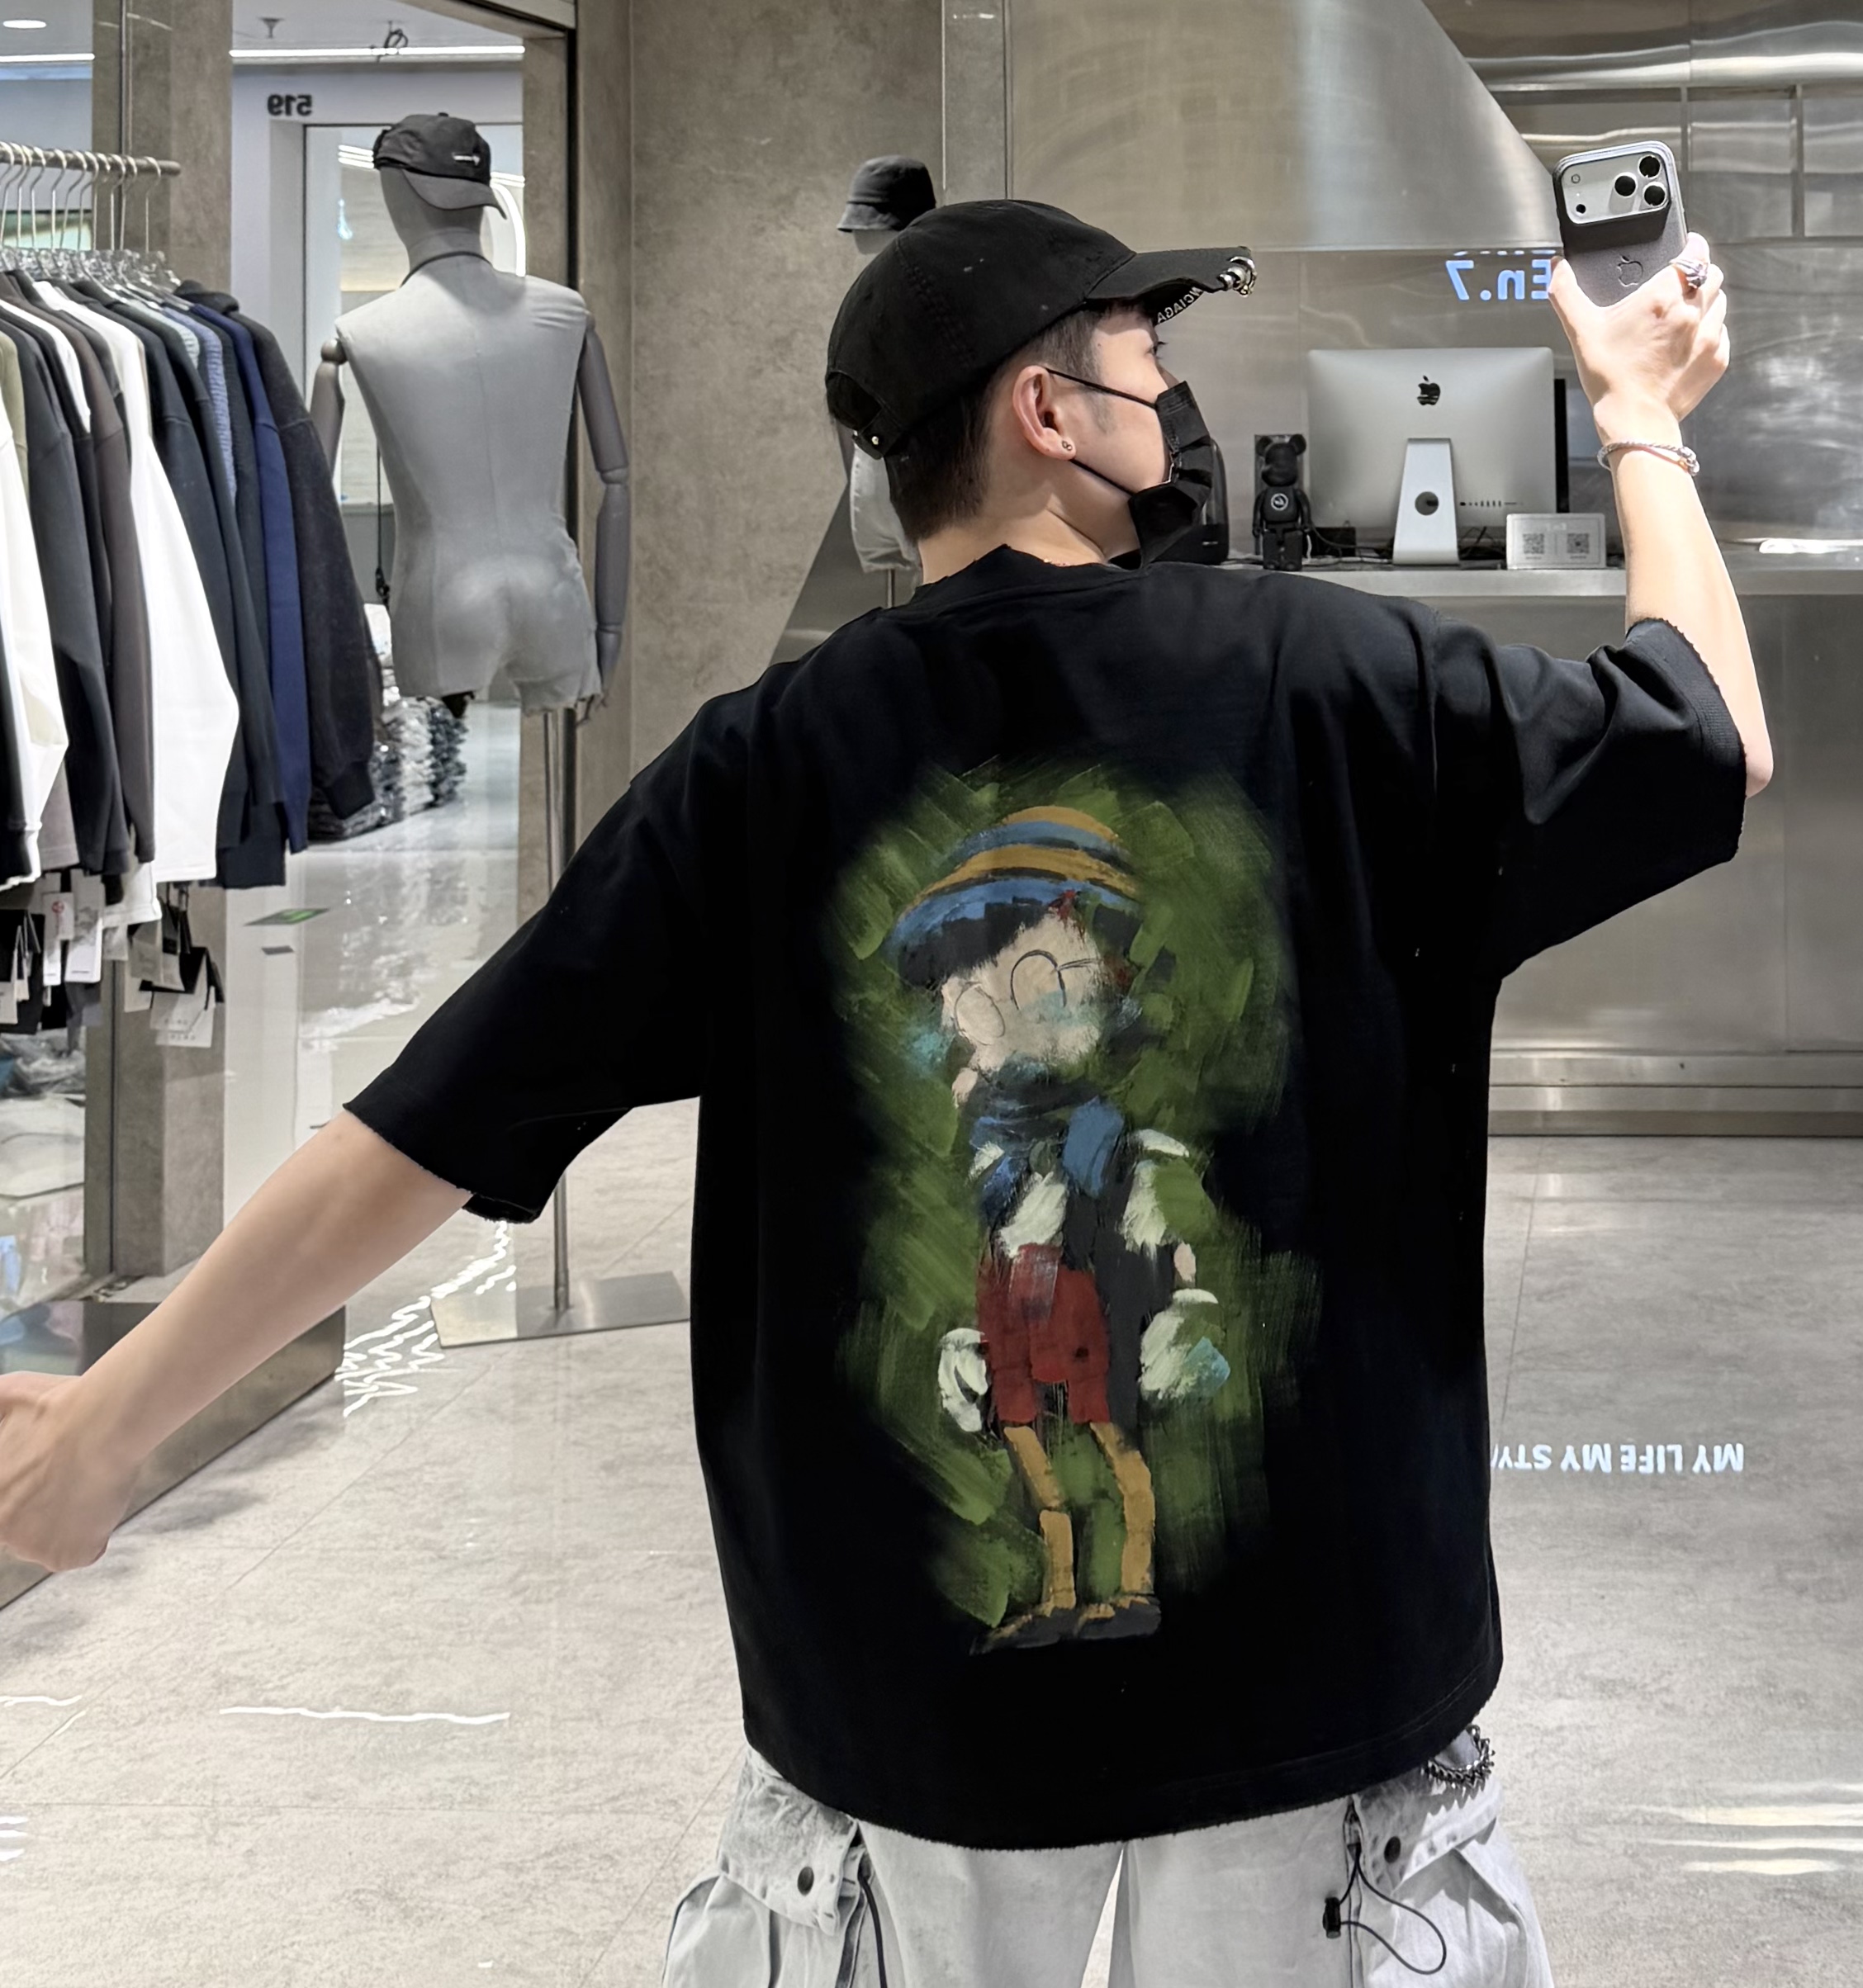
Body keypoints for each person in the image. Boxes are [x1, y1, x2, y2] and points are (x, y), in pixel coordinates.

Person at [0, 198, 1770, 1986]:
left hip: (906, 1721)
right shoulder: (1336, 676)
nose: (1174, 394)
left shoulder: (760, 767)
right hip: (1320, 1694)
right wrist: (1640, 418)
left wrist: (107, 1432)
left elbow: (417, 1132)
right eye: (1147, 353)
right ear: (1045, 409)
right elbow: (1703, 735)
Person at [837, 155, 935, 589]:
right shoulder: (881, 290)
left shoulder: (921, 295)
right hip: (884, 464)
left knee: (931, 574)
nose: (859, 236)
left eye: (870, 223)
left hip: (913, 467)